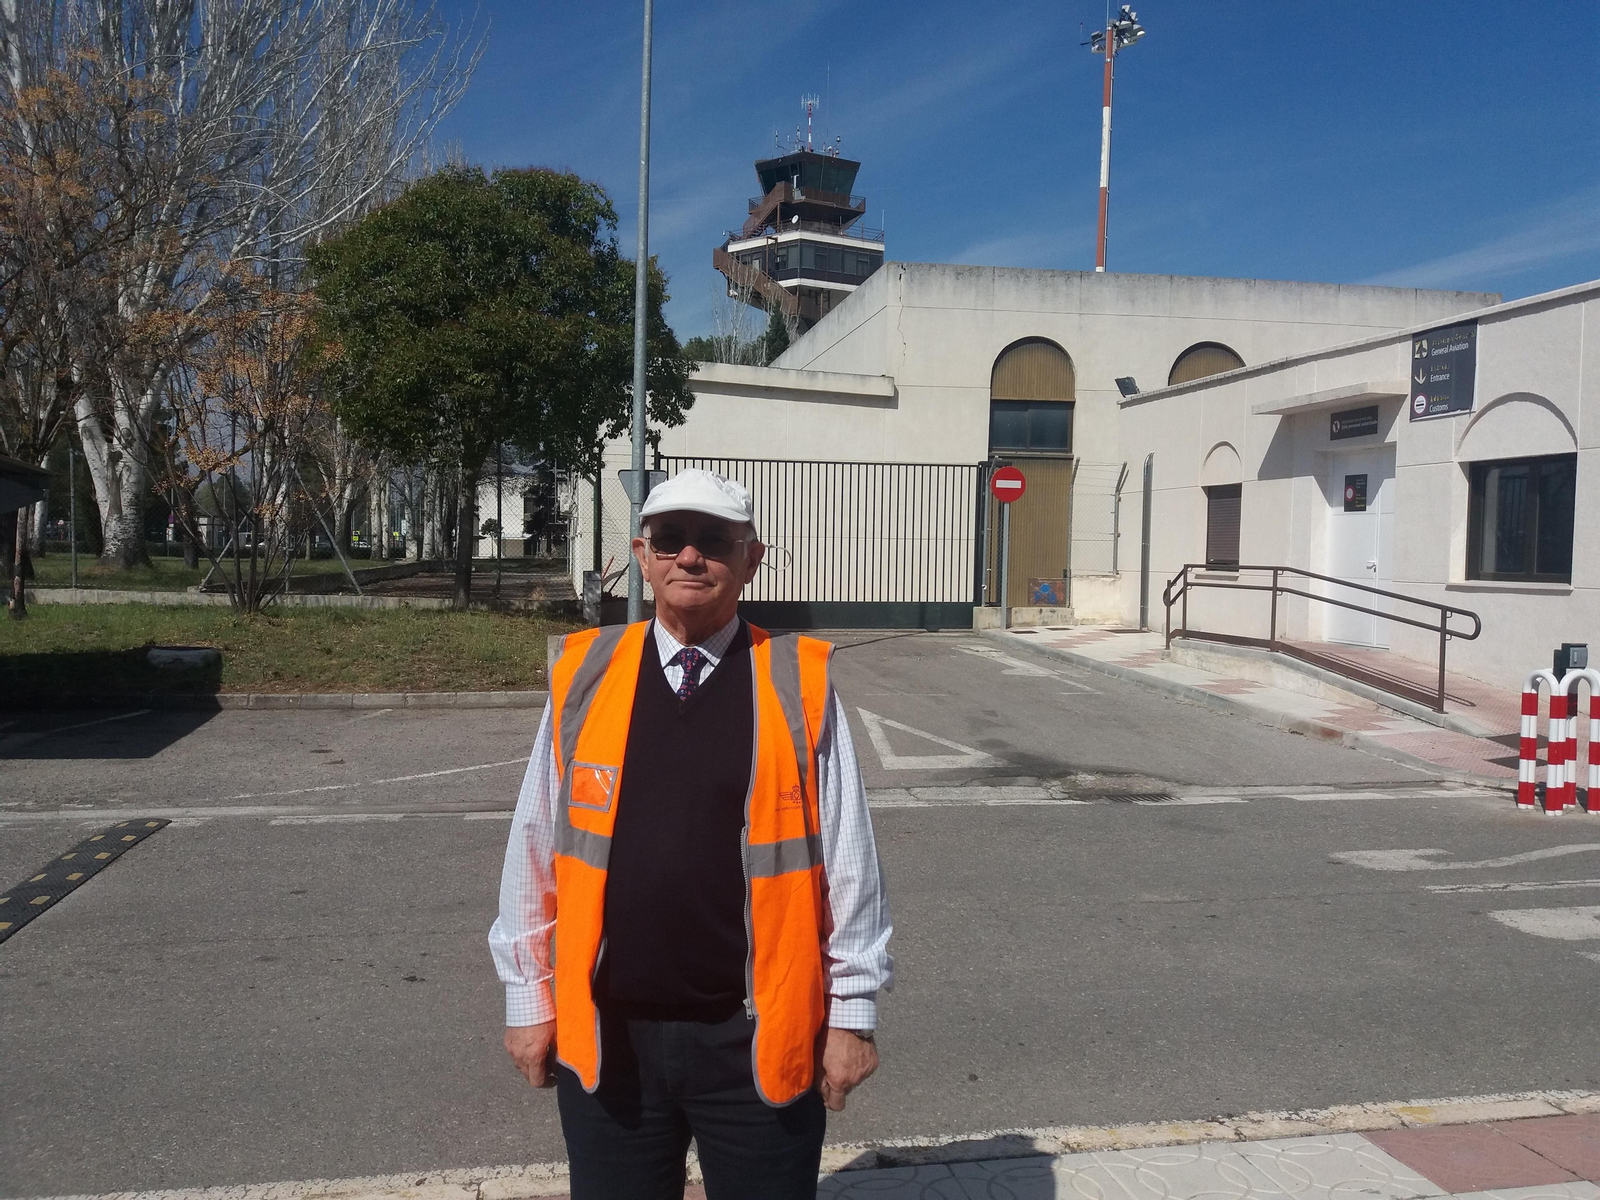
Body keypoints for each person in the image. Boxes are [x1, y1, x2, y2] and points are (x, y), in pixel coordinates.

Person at [489, 468, 894, 1200]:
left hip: (754, 1043)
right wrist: (529, 1000)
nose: (690, 557)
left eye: (714, 541)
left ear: (751, 560)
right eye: (670, 540)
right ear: (643, 557)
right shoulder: (586, 675)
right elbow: (535, 850)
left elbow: (850, 864)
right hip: (612, 1046)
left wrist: (853, 1015)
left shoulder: (795, 683)